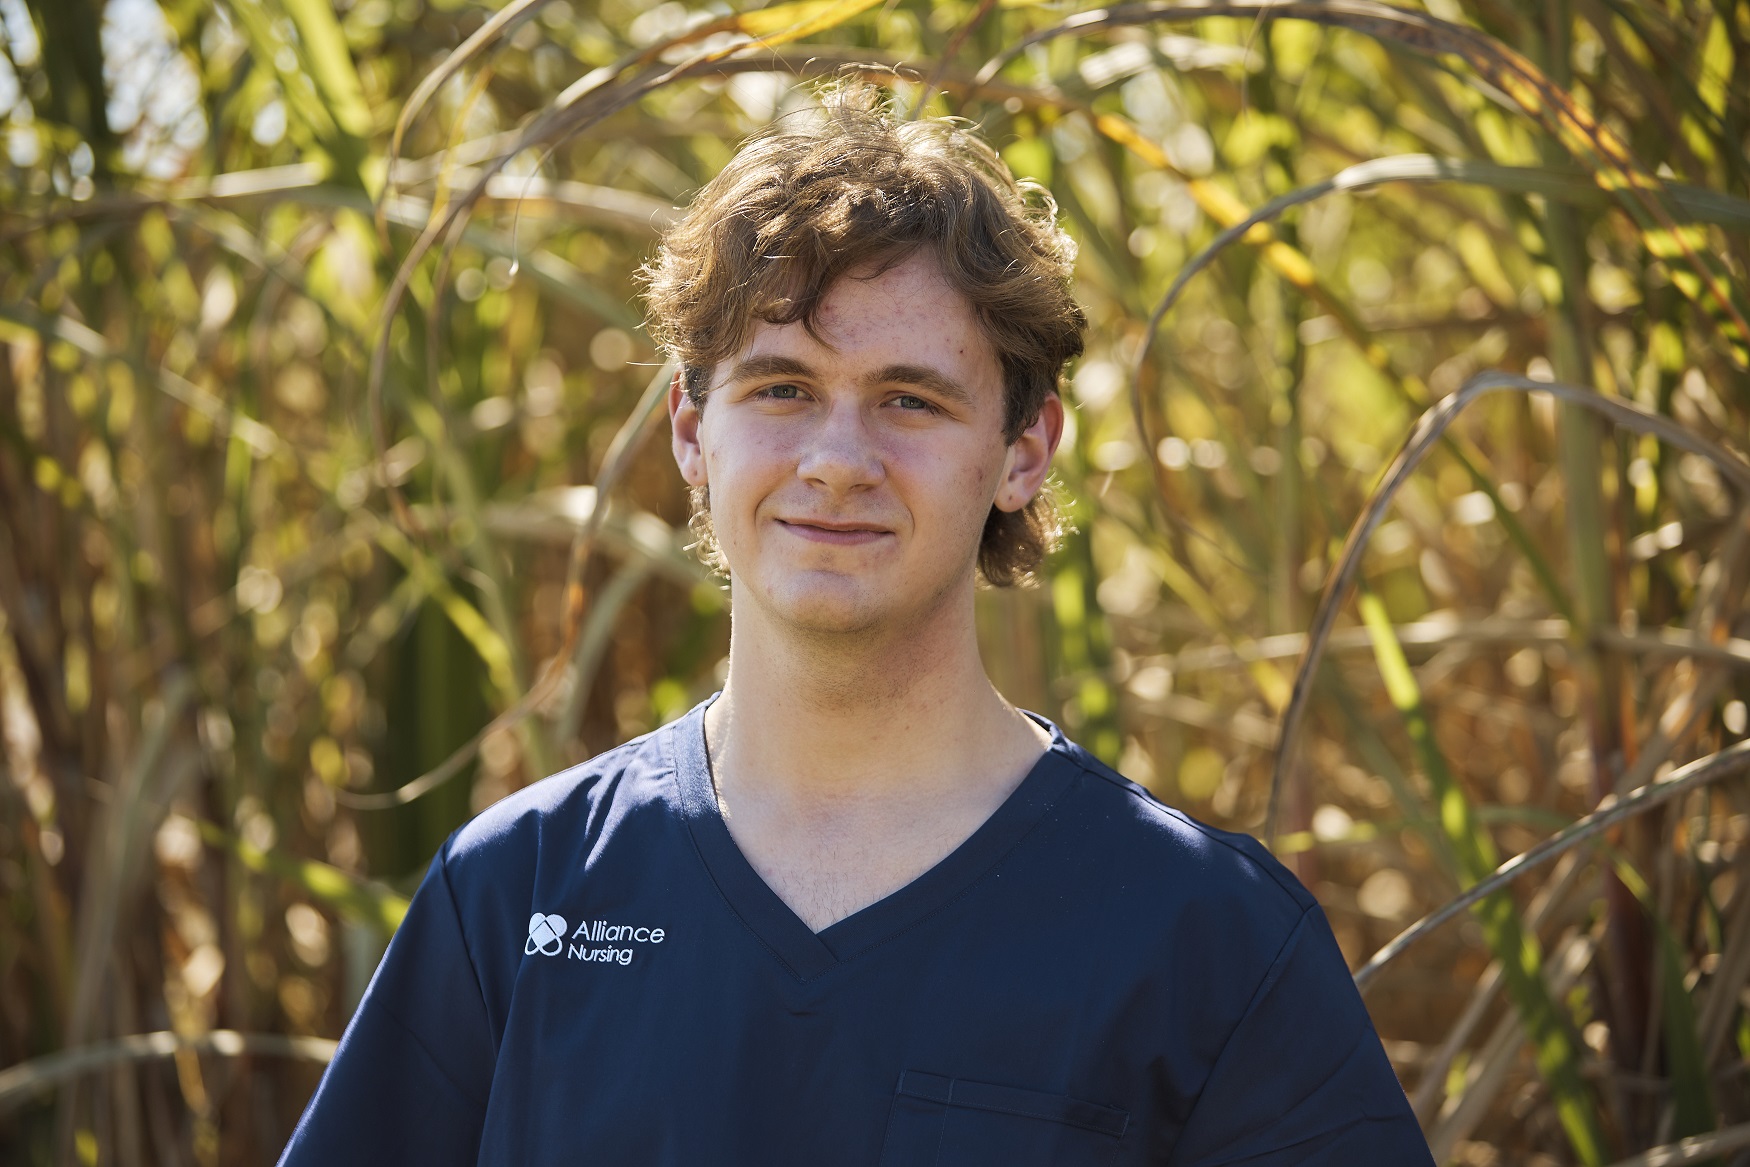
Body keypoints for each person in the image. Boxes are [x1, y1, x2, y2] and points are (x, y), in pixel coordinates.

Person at [278, 81, 1434, 1166]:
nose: (836, 463)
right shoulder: (517, 899)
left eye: (908, 400)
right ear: (691, 431)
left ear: (1023, 453)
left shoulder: (1206, 942)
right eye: (780, 388)